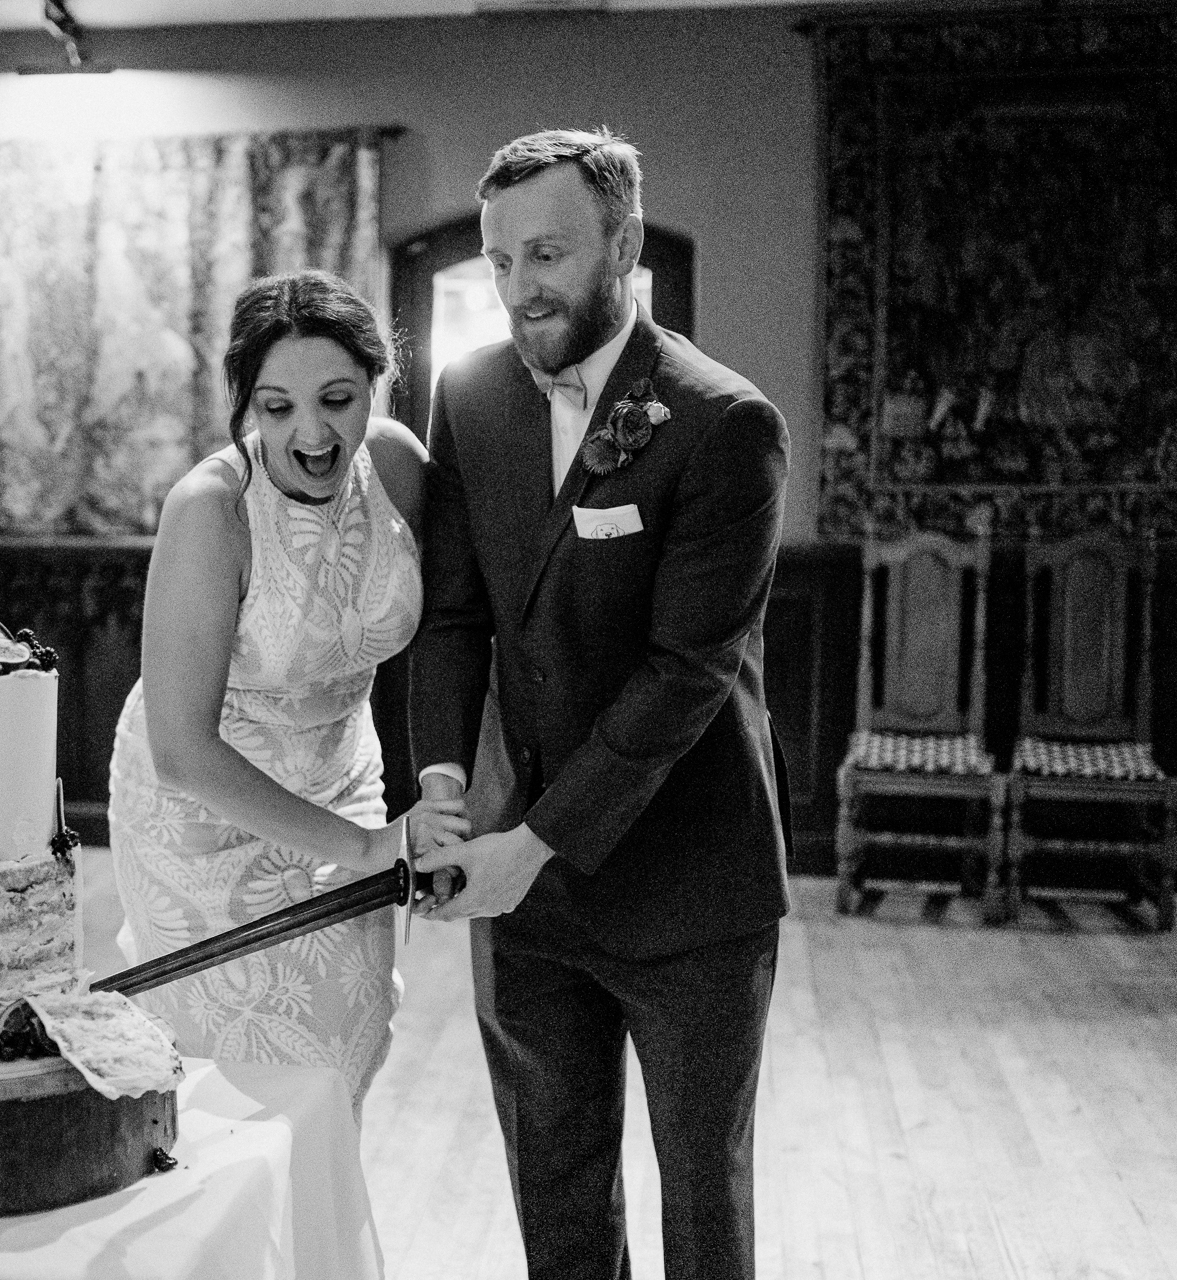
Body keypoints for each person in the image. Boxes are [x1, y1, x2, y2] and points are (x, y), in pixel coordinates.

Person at [411, 129, 792, 1279]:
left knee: (700, 1204)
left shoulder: (725, 423)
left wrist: (533, 844)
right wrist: (440, 789)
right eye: (498, 259)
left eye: (547, 253)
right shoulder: (469, 392)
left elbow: (686, 672)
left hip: (693, 885)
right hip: (524, 895)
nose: (519, 287)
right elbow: (453, 615)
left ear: (622, 244)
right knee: (556, 1189)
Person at [109, 269, 468, 1112]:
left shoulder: (398, 468)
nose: (310, 432)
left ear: (376, 387)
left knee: (348, 1038)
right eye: (276, 408)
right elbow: (182, 752)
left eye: (336, 399)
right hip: (201, 817)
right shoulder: (209, 512)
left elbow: (457, 630)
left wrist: (445, 796)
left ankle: (315, 1238)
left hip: (345, 771)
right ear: (246, 407)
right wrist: (372, 849)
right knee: (233, 1089)